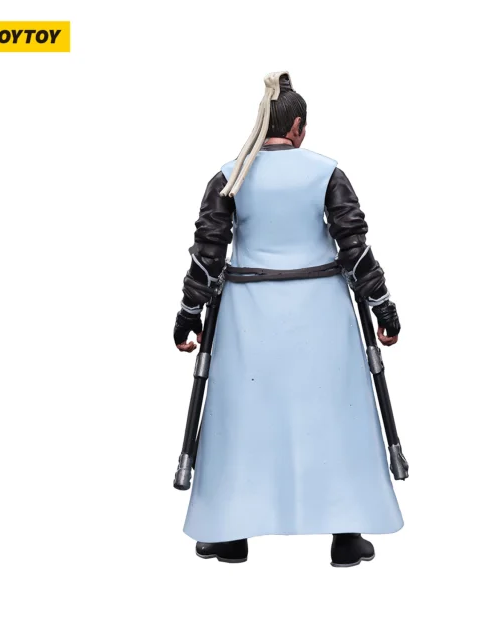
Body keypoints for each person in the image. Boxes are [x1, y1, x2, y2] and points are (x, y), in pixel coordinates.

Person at [173, 72, 403, 567]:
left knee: (241, 422)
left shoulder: (230, 175)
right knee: (337, 417)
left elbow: (207, 254)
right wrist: (382, 305)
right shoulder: (326, 173)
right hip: (321, 314)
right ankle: (346, 535)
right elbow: (355, 248)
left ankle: (229, 533)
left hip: (248, 317)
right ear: (297, 126)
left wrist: (189, 313)